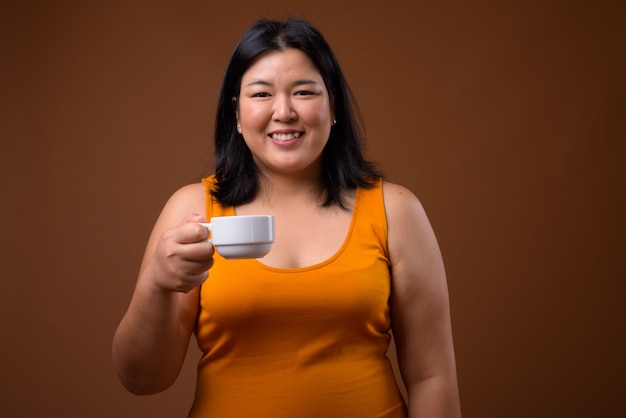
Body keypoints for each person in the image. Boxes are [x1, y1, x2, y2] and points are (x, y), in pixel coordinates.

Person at [112, 18, 461, 418]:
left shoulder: (396, 210)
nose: (284, 111)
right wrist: (157, 282)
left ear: (332, 107)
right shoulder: (191, 209)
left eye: (303, 92)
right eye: (261, 94)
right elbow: (141, 378)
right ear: (238, 115)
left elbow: (432, 377)